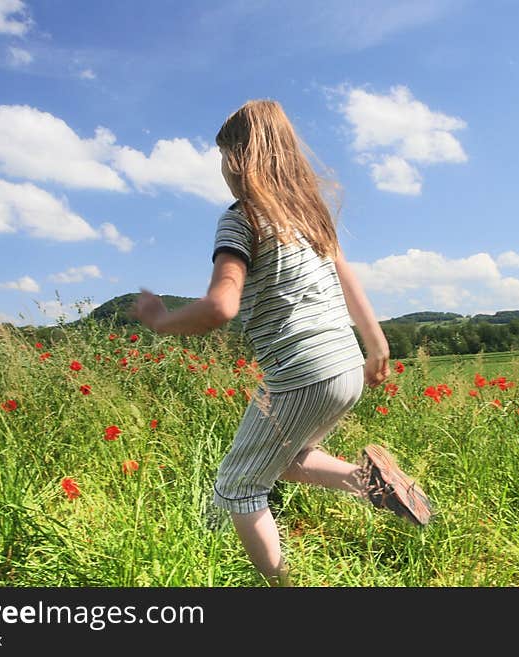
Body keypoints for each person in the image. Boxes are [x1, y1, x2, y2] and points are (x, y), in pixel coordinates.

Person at [131, 99, 431, 586]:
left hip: (301, 371)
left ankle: (284, 589)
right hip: (345, 363)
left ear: (237, 159)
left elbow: (221, 307)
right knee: (284, 461)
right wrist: (377, 346)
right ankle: (370, 483)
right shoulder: (309, 215)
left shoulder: (241, 218)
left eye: (224, 156)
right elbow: (347, 279)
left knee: (239, 484)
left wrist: (161, 320)